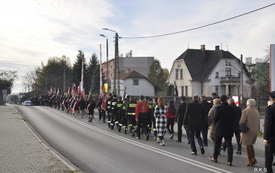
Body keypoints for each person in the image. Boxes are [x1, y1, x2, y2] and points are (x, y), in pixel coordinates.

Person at [209, 95, 234, 166]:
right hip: (228, 128)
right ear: (226, 100)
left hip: (219, 128)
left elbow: (215, 118)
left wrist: (217, 124)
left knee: (217, 144)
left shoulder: (218, 108)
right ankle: (229, 161)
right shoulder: (231, 108)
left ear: (221, 100)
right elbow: (233, 117)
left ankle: (215, 157)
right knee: (229, 145)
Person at [239, 99, 260, 166]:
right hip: (255, 130)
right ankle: (253, 158)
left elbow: (242, 121)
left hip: (248, 130)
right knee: (251, 144)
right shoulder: (256, 111)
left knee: (247, 145)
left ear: (247, 104)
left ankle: (250, 160)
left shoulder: (245, 111)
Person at [264, 91, 275, 173]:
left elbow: (268, 125)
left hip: (272, 136)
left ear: (271, 99)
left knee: (269, 154)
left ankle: (269, 170)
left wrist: (266, 138)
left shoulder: (270, 109)